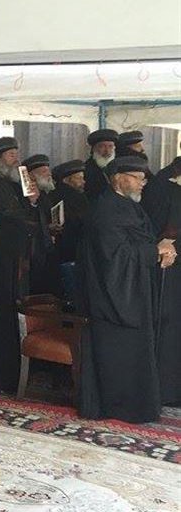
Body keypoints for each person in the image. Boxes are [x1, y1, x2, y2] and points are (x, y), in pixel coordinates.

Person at [78, 156, 177, 423]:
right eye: (138, 178)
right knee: (120, 353)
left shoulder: (130, 207)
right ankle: (119, 406)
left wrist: (160, 251)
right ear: (118, 178)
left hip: (134, 291)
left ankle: (138, 404)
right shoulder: (105, 210)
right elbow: (115, 257)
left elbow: (140, 242)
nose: (143, 183)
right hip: (111, 298)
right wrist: (154, 252)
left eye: (144, 178)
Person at [0, 137, 39, 393]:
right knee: (1, 318)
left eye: (16, 154)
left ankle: (15, 374)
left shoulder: (15, 187)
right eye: (11, 155)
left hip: (16, 262)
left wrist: (33, 201)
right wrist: (21, 220)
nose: (16, 159)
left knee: (15, 316)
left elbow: (30, 216)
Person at [141, 143, 181, 405]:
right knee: (171, 330)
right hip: (171, 269)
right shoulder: (163, 183)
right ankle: (168, 390)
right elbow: (155, 227)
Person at [49, 159, 92, 302]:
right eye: (79, 178)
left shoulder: (53, 196)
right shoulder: (76, 198)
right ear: (67, 180)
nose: (83, 182)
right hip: (71, 252)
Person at [22, 154, 62, 296]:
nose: (49, 174)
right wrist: (32, 202)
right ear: (32, 176)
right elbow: (28, 221)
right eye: (44, 171)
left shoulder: (45, 195)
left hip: (47, 250)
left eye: (48, 170)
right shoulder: (25, 196)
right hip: (33, 253)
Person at [83, 129, 118, 201]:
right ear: (93, 149)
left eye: (110, 146)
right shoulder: (86, 169)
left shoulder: (119, 167)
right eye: (102, 146)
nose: (107, 151)